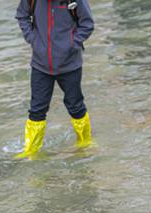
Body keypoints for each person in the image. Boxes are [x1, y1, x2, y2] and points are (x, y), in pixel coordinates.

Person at [15, 0, 95, 158]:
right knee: (37, 110)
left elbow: (87, 24)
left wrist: (72, 44)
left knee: (76, 106)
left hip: (70, 65)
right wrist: (33, 39)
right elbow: (22, 16)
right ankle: (31, 151)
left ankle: (85, 143)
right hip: (40, 65)